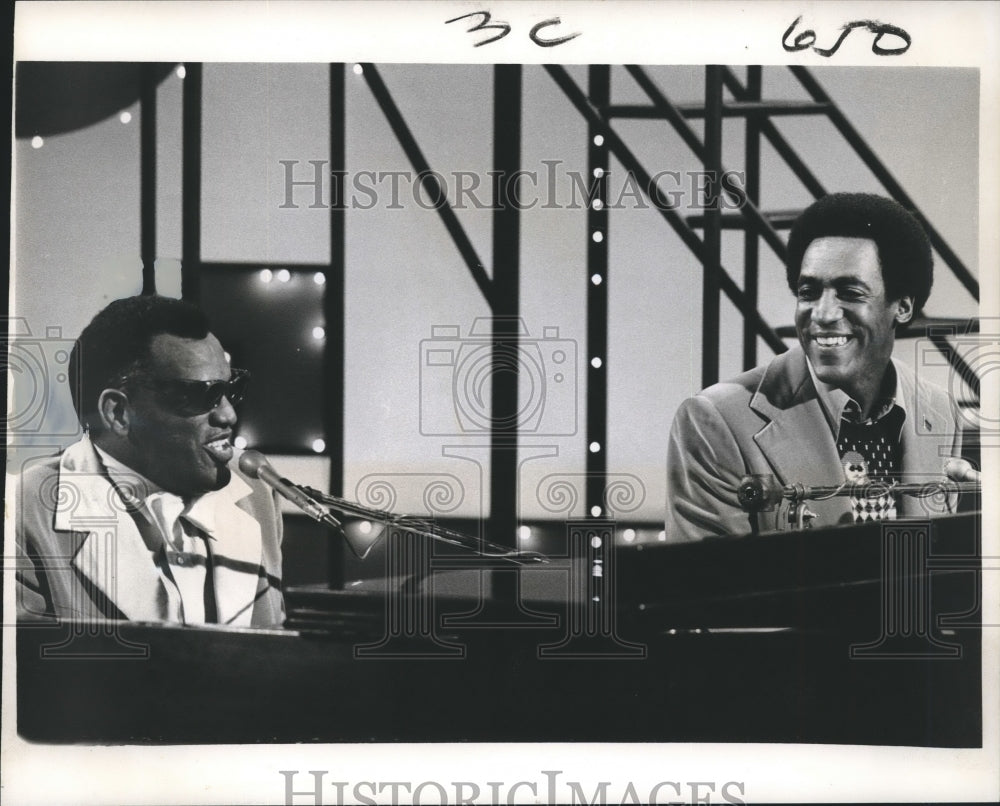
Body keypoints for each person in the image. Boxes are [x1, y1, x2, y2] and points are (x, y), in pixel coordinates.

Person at [665, 193, 965, 539]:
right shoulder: (714, 421)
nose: (821, 314)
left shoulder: (941, 412)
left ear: (903, 307)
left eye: (850, 292)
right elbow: (704, 588)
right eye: (808, 291)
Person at [14, 295, 285, 626]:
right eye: (202, 395)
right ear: (118, 413)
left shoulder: (256, 492)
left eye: (232, 389)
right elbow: (27, 672)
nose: (228, 414)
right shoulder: (22, 513)